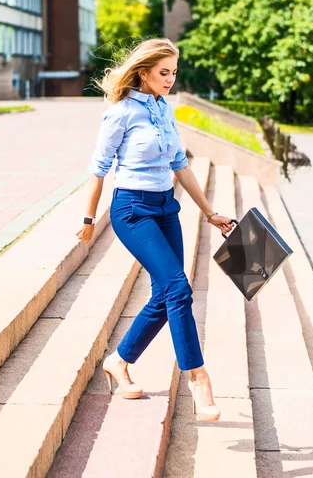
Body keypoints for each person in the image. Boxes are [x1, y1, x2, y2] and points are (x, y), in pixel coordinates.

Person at [76, 38, 234, 421]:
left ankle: (119, 360)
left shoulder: (164, 110)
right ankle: (197, 377)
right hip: (131, 210)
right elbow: (98, 170)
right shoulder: (121, 112)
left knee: (166, 295)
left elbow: (180, 165)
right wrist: (87, 221)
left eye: (174, 73)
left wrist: (210, 212)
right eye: (164, 72)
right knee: (179, 288)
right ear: (143, 72)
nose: (170, 79)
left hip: (166, 207)